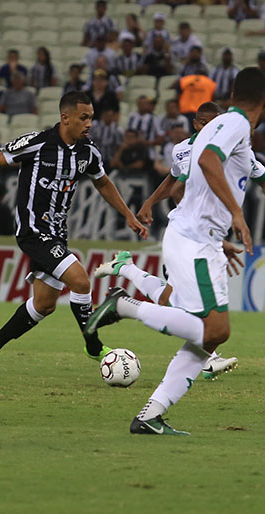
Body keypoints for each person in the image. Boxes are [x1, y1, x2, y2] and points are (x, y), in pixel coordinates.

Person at [85, 68, 265, 436]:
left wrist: (220, 235)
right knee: (217, 330)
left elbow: (202, 180)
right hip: (194, 239)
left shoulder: (218, 126)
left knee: (207, 337)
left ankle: (151, 414)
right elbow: (209, 161)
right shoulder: (236, 124)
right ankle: (125, 305)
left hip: (198, 237)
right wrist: (237, 215)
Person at [0, 91, 148, 378]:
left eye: (91, 118)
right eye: (84, 118)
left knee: (44, 304)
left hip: (58, 234)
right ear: (65, 117)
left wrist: (128, 215)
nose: (89, 124)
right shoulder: (38, 143)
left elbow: (104, 183)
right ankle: (93, 346)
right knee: (81, 281)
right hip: (33, 231)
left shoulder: (88, 152)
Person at [104, 102, 242, 379]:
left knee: (171, 299)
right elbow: (175, 183)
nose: (208, 128)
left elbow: (177, 183)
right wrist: (152, 203)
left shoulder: (226, 150)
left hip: (203, 233)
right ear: (195, 124)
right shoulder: (184, 150)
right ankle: (208, 358)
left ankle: (125, 269)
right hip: (187, 236)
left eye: (214, 123)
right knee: (191, 300)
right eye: (203, 123)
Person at [89, 107, 123, 172]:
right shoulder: (94, 125)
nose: (109, 118)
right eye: (107, 115)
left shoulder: (117, 129)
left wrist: (115, 158)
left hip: (108, 159)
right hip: (93, 158)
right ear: (103, 115)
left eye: (111, 116)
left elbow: (119, 146)